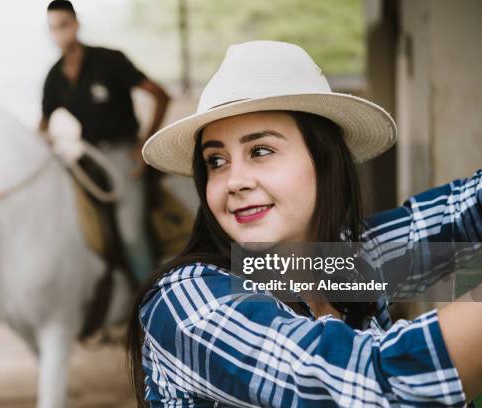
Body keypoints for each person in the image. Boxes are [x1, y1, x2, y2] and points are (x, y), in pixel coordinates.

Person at [126, 41, 482, 407]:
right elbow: (370, 384)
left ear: (324, 160)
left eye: (260, 151)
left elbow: (459, 213)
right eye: (216, 160)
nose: (234, 181)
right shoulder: (188, 302)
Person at [40, 0, 170, 282]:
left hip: (122, 155)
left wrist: (143, 145)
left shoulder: (109, 60)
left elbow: (160, 94)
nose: (59, 34)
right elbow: (44, 123)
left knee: (131, 234)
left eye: (63, 26)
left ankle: (148, 303)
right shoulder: (54, 76)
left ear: (75, 24)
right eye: (52, 29)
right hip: (86, 158)